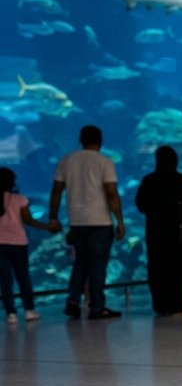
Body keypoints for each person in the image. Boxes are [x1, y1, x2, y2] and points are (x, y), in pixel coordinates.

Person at [48, 125, 124, 319]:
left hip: (77, 221)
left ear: (80, 140)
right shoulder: (105, 162)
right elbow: (111, 193)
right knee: (98, 265)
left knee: (80, 263)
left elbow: (56, 191)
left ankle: (73, 301)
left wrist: (53, 217)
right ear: (101, 140)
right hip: (100, 221)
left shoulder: (66, 161)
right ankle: (96, 307)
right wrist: (119, 220)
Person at [134, 145, 182, 316]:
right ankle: (178, 305)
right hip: (179, 234)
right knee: (181, 269)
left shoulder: (149, 180)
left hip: (156, 233)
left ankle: (160, 304)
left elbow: (141, 205)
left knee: (158, 269)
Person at [0, 167, 56, 324]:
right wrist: (47, 227)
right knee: (23, 277)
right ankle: (29, 310)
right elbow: (28, 221)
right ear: (12, 182)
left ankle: (11, 314)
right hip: (18, 243)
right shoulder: (20, 200)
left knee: (5, 280)